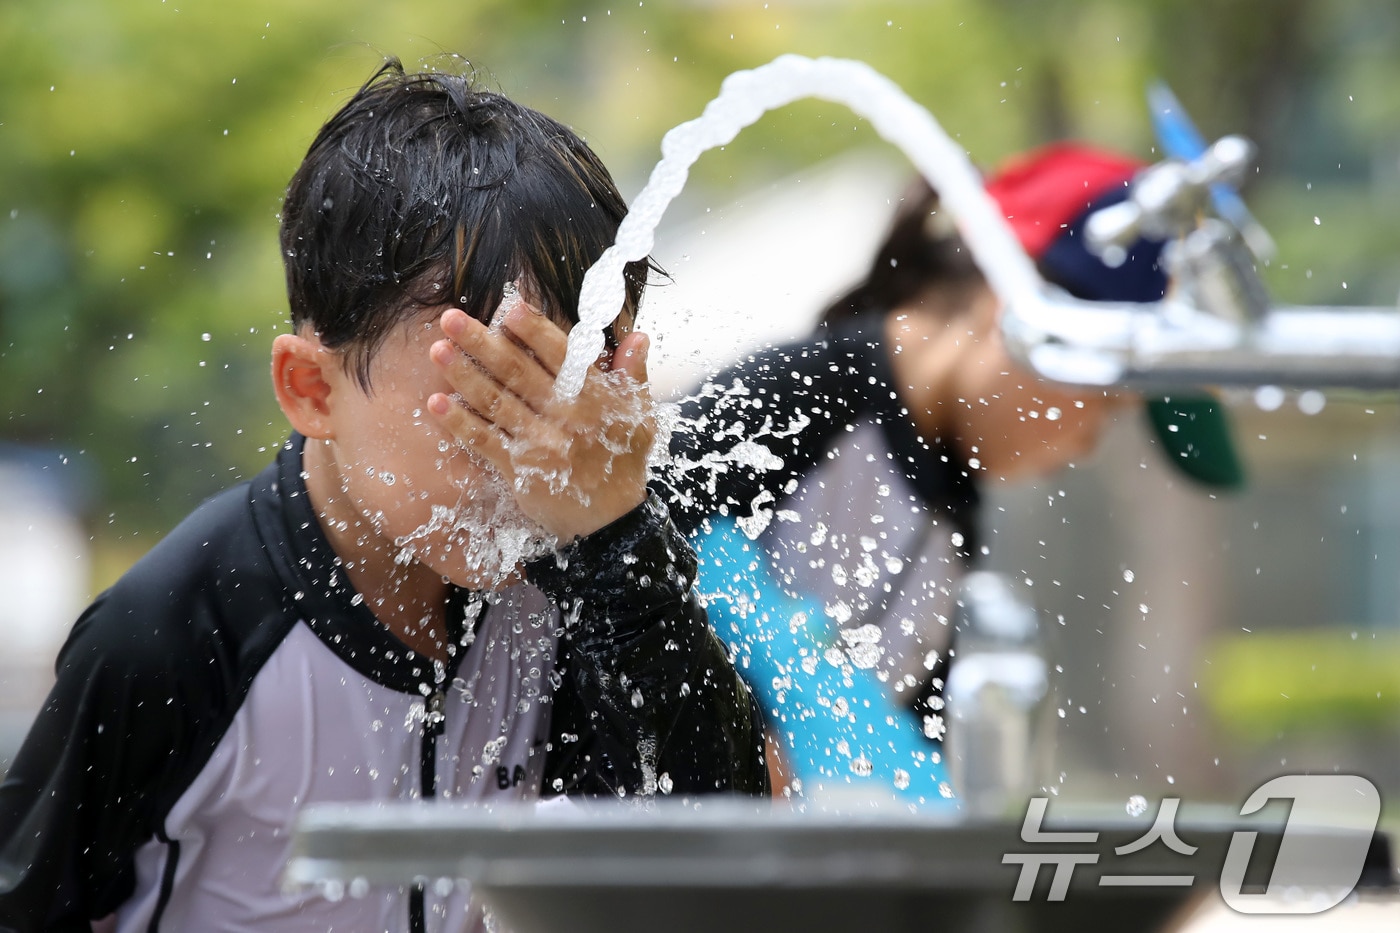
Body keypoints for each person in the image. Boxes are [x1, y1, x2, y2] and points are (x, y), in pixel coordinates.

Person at [0, 58, 767, 932]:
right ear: (312, 389)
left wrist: (622, 540)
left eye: (565, 406)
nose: (534, 466)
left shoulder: (582, 581)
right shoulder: (178, 633)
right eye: (485, 408)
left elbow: (714, 860)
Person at [659, 142, 1243, 806]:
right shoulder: (800, 398)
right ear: (1012, 306)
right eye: (1105, 402)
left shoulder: (953, 519)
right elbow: (610, 559)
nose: (1086, 444)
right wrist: (733, 741)